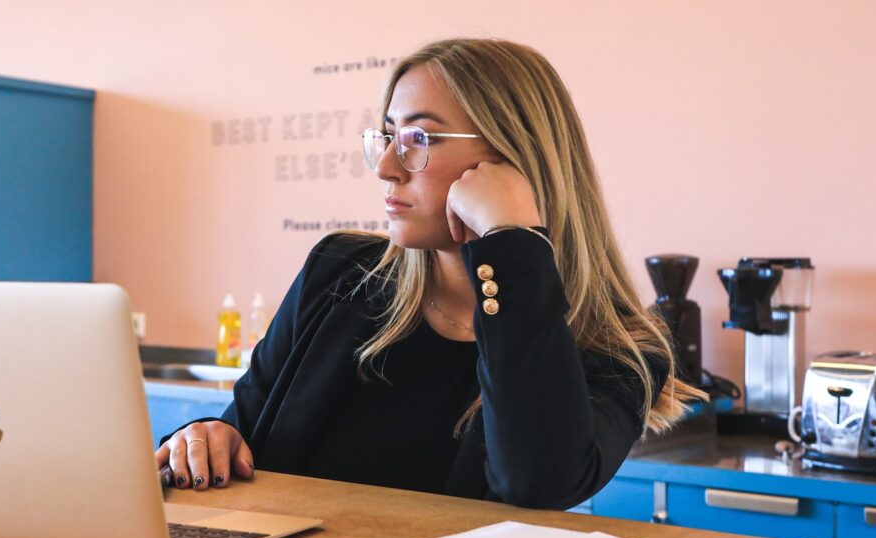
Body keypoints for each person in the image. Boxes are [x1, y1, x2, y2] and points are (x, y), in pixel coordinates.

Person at [155, 38, 705, 509]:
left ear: (514, 158)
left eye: (420, 139)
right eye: (387, 135)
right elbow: (240, 432)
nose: (388, 166)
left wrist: (512, 242)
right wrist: (209, 438)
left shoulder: (619, 347)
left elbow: (539, 484)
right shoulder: (339, 273)